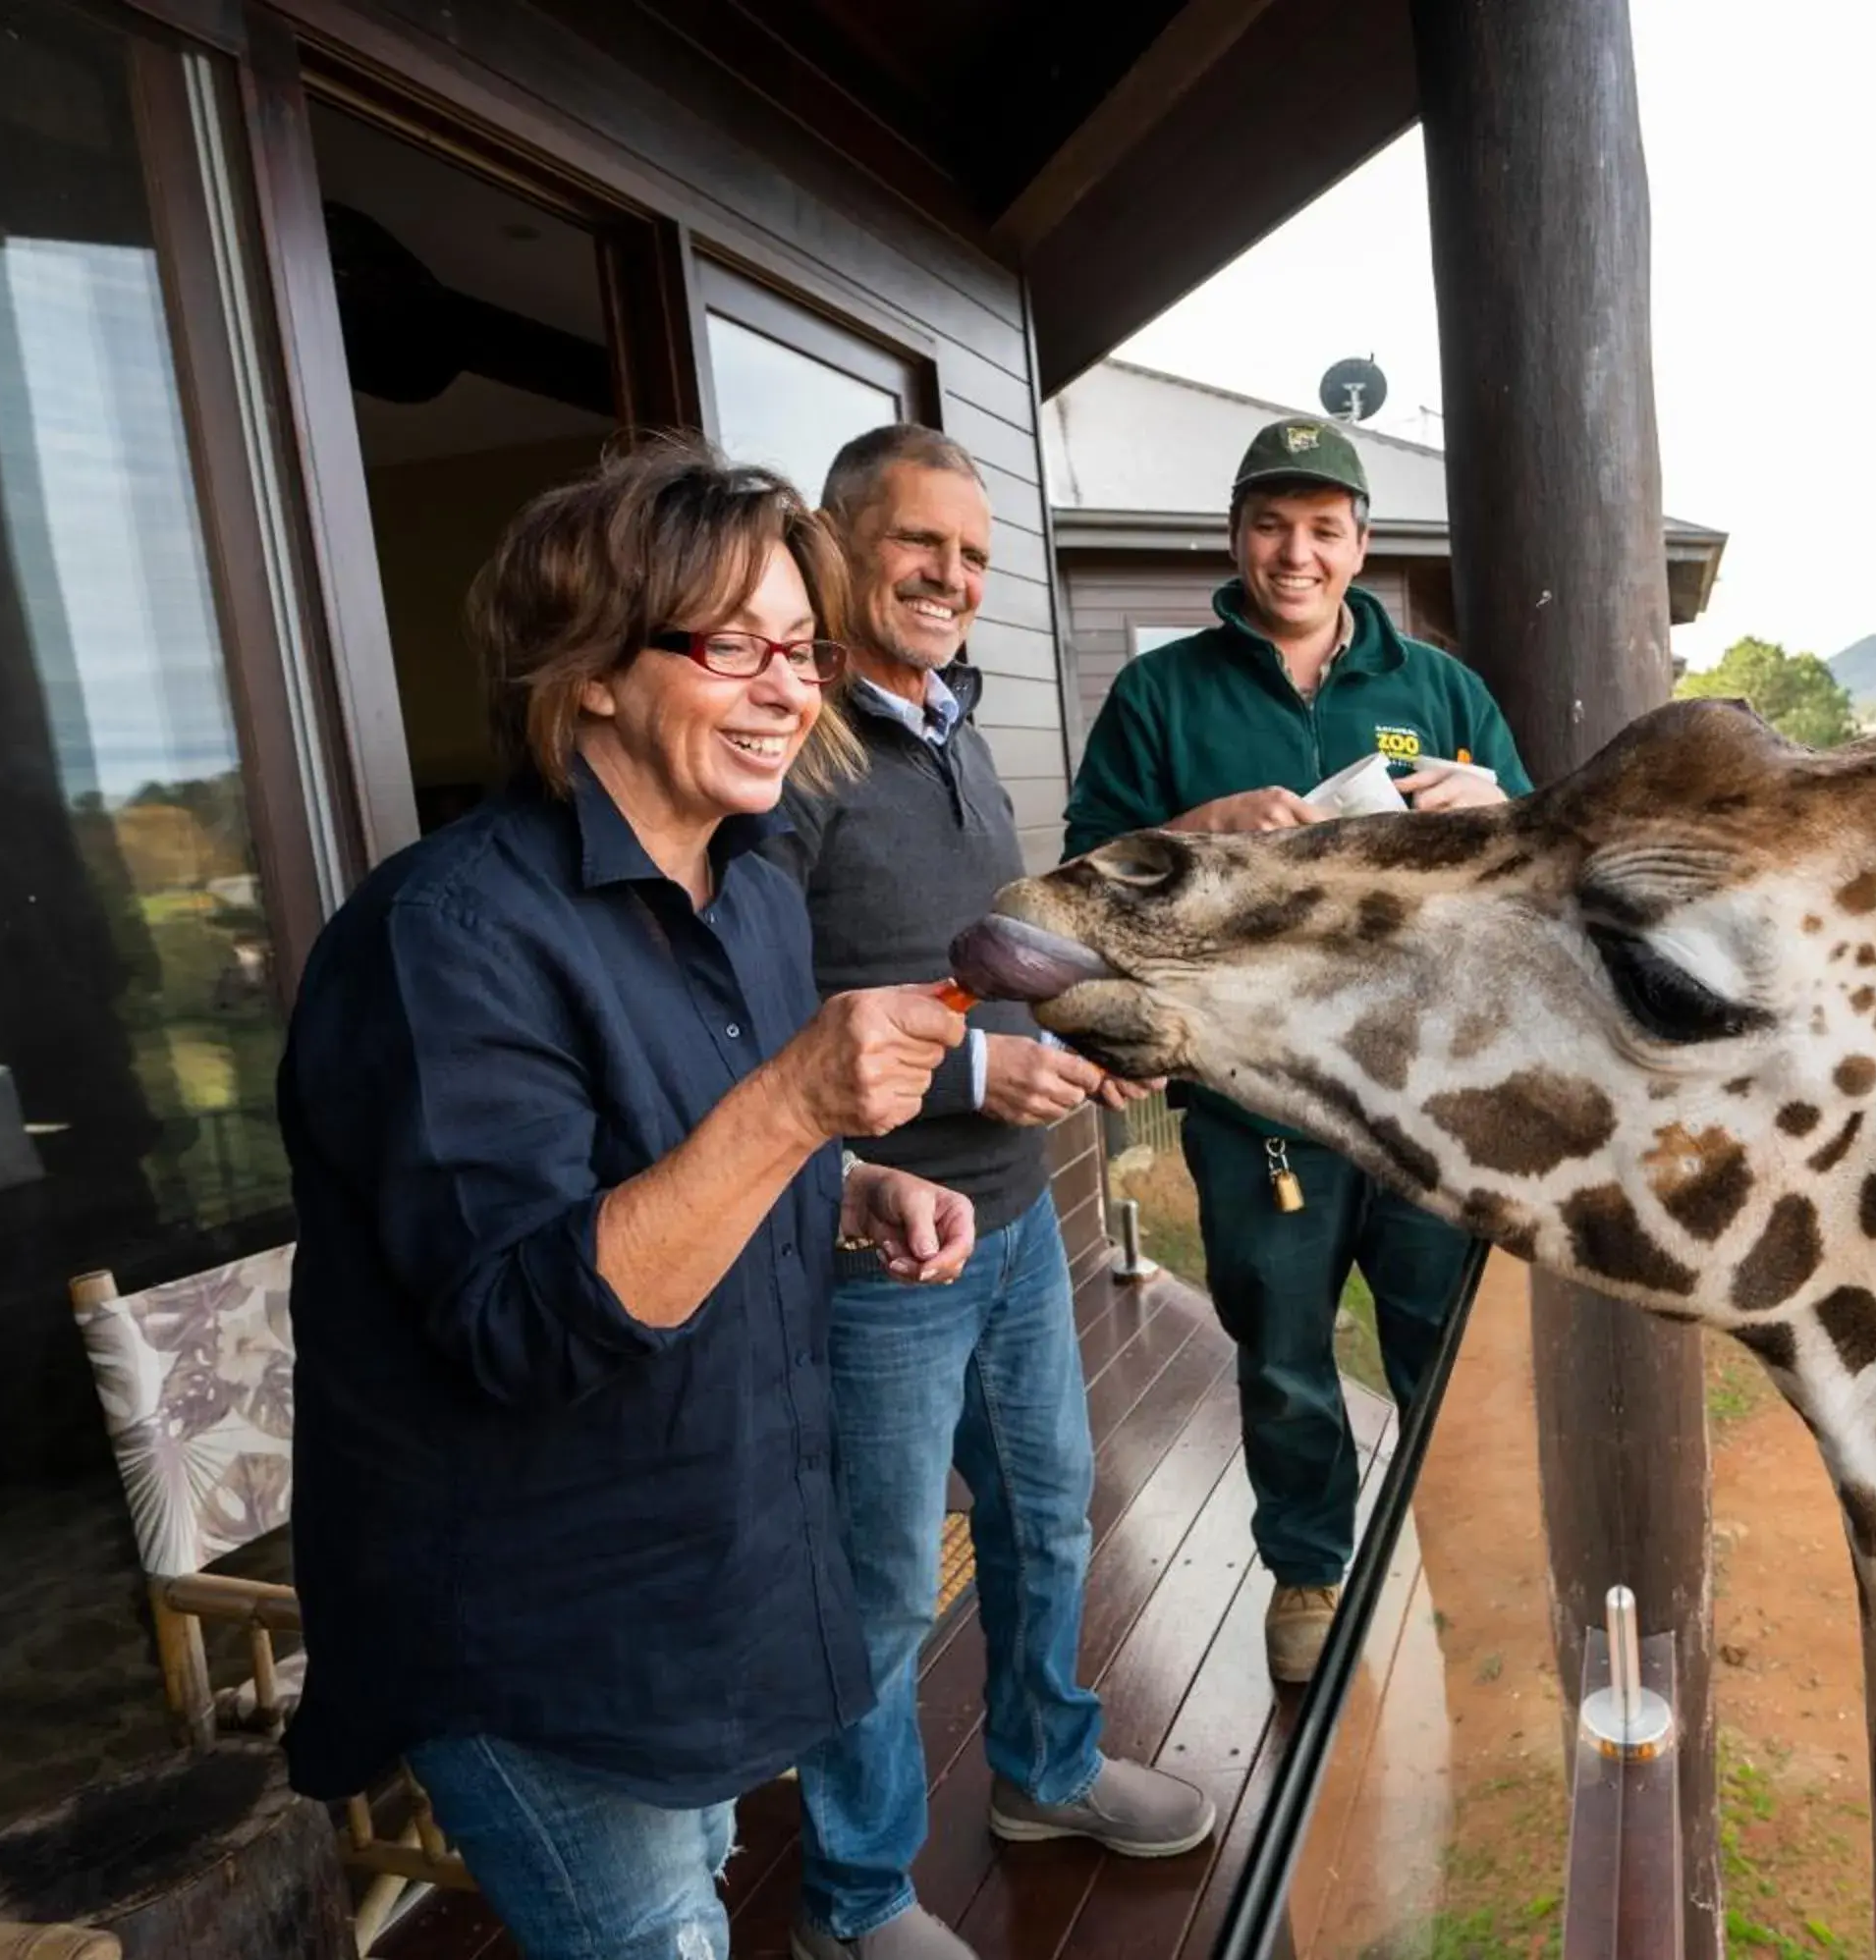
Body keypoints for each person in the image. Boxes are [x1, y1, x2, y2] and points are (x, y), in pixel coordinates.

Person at [280, 438, 978, 1960]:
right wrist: (799, 1104)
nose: (789, 691)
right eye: (733, 646)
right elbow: (524, 1323)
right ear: (590, 671)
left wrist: (849, 1180)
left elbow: (688, 1164)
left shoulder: (757, 894)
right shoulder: (444, 938)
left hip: (712, 1580)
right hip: (547, 1638)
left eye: (802, 650)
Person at [774, 424, 1209, 1960]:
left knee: (1047, 1517)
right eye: (920, 543)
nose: (951, 576)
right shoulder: (797, 746)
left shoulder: (953, 727)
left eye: (973, 554)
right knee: (886, 1584)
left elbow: (974, 966)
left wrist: (1080, 1042)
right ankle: (854, 1899)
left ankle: (1045, 1769)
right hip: (877, 1244)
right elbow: (752, 1019)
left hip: (1015, 1223)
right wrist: (970, 1076)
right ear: (839, 544)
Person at [1060, 416, 1531, 1683]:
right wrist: (1199, 825)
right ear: (1236, 537)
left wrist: (1498, 807)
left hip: (1425, 1095)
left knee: (1448, 1346)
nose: (1297, 553)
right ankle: (1311, 1574)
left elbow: (1539, 868)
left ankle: (1473, 1562)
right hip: (1254, 1094)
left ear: (1361, 546)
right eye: (1272, 525)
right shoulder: (1164, 694)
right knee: (1282, 1354)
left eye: (1325, 529)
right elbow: (1086, 870)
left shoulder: (1439, 693)